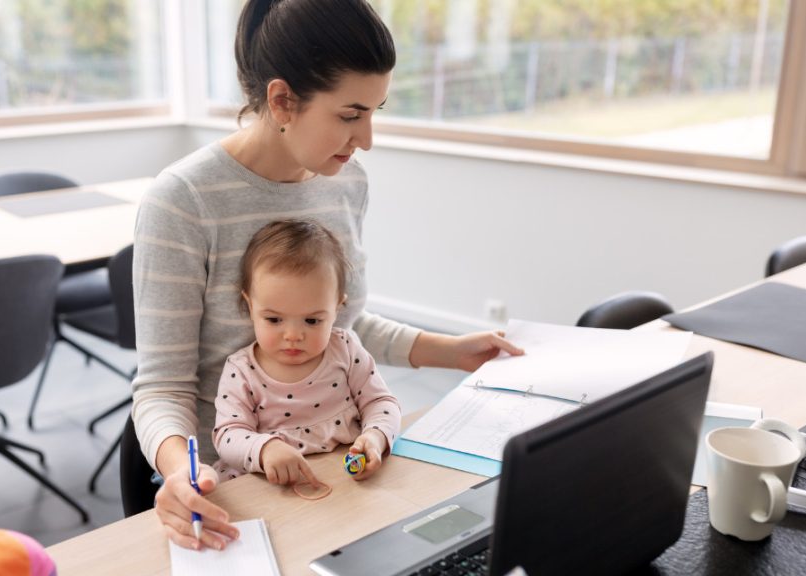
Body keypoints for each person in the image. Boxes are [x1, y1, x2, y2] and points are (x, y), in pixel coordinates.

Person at [132, 0, 523, 552]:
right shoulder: (183, 200)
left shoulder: (345, 182)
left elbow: (346, 324)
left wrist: (450, 351)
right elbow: (162, 386)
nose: (366, 138)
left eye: (374, 112)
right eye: (349, 114)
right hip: (230, 481)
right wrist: (180, 471)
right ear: (283, 100)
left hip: (338, 464)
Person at [213, 219, 401, 487]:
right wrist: (265, 449)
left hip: (344, 479)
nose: (293, 335)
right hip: (269, 486)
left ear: (337, 308)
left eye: (312, 321)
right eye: (274, 320)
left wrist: (376, 437)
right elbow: (228, 435)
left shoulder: (345, 350)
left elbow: (381, 403)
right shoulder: (241, 369)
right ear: (250, 306)